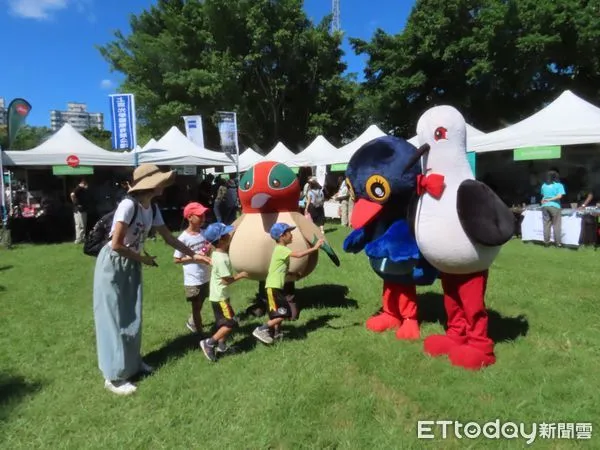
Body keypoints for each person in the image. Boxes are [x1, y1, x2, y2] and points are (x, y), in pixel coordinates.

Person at [93, 164, 211, 396]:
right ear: (151, 184)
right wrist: (143, 259)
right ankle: (114, 376)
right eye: (160, 181)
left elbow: (169, 238)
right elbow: (116, 244)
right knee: (114, 318)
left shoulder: (152, 207)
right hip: (114, 264)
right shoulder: (128, 205)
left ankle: (133, 363)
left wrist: (193, 254)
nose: (164, 186)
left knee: (132, 315)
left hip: (132, 263)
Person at [252, 223, 323, 345]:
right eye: (289, 232)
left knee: (279, 312)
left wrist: (291, 273)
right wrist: (315, 248)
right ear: (282, 236)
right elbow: (299, 255)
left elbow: (279, 268)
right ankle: (261, 329)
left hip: (275, 287)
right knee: (285, 313)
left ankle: (277, 333)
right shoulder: (281, 249)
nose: (291, 235)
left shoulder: (280, 250)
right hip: (273, 288)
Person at [199, 223, 249, 362]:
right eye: (226, 234)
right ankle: (209, 343)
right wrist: (242, 275)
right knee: (230, 323)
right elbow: (226, 280)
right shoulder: (222, 259)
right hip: (221, 297)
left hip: (218, 296)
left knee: (223, 323)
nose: (229, 236)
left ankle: (221, 346)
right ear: (221, 239)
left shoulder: (217, 253)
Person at [174, 202, 211, 334]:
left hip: (205, 275)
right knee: (196, 306)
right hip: (193, 279)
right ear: (190, 217)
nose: (203, 217)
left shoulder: (204, 233)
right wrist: (195, 257)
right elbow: (177, 259)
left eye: (204, 215)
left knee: (201, 301)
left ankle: (192, 321)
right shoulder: (183, 238)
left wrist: (207, 250)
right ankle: (200, 332)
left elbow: (205, 248)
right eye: (199, 215)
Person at [540, 170, 566, 247]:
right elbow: (559, 196)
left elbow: (543, 195)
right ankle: (558, 243)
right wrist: (550, 199)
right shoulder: (558, 185)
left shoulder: (544, 185)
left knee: (546, 225)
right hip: (555, 206)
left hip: (545, 206)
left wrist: (544, 200)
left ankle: (546, 242)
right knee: (556, 225)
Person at [70, 178, 90, 244]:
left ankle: (80, 238)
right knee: (81, 224)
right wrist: (76, 203)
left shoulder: (79, 189)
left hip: (78, 209)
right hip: (80, 209)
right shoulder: (79, 188)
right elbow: (72, 195)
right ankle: (81, 239)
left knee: (79, 224)